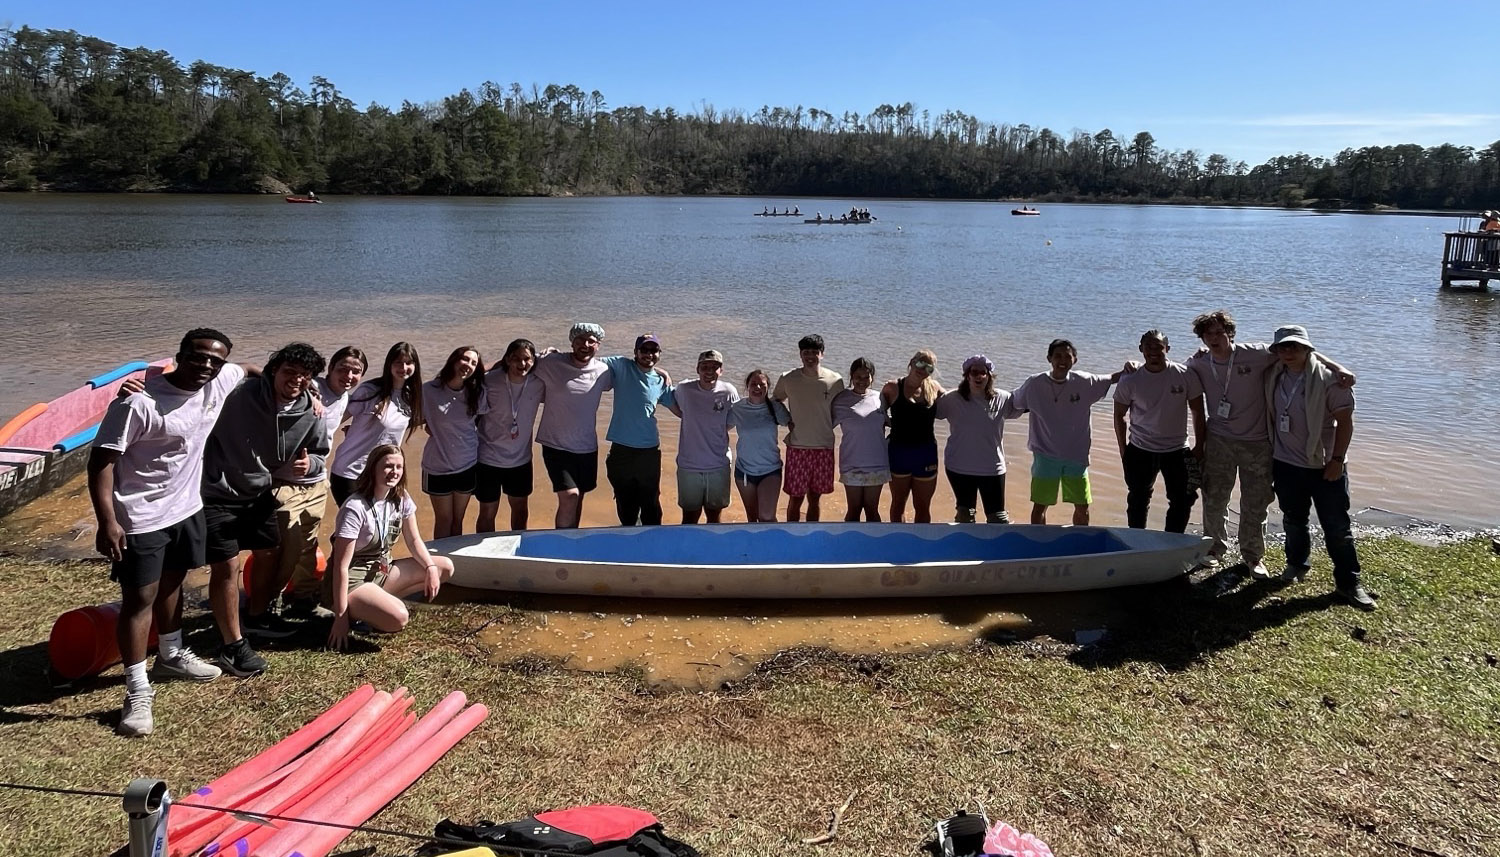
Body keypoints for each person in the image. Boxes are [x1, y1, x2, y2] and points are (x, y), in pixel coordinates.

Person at [88, 328, 241, 737]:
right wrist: (108, 521)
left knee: (173, 581)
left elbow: (249, 370)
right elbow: (100, 462)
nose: (206, 365)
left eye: (215, 360)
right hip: (139, 516)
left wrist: (310, 396)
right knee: (139, 599)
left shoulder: (219, 381)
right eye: (198, 356)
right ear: (179, 355)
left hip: (186, 508)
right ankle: (137, 690)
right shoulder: (139, 402)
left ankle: (171, 655)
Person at [1186, 311, 1355, 577]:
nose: (1214, 338)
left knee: (1255, 502)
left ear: (1230, 333)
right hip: (1219, 440)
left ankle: (1253, 556)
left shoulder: (1255, 353)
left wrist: (1337, 368)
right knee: (1214, 498)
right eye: (1208, 334)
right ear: (1202, 338)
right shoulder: (1197, 363)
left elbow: (1302, 352)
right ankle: (1214, 549)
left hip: (1258, 443)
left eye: (1220, 332)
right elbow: (1167, 372)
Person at [1265, 326, 1374, 610]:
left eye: (1294, 347)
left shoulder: (1330, 381)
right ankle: (1297, 564)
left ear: (1307, 349)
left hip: (1325, 466)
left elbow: (1345, 423)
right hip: (1286, 463)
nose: (1288, 353)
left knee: (1337, 527)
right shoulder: (1274, 375)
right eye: (1282, 348)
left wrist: (1337, 460)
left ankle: (1349, 583)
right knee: (1293, 519)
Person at [325, 444, 456, 650]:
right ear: (373, 469)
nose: (394, 472)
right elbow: (340, 567)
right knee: (399, 618)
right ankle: (352, 611)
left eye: (399, 467)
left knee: (444, 568)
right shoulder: (355, 507)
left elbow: (413, 541)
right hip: (353, 582)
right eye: (387, 466)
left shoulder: (401, 498)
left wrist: (430, 567)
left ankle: (374, 606)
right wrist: (340, 619)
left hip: (380, 573)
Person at [282, 346, 367, 615]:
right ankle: (269, 601)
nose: (349, 375)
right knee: (284, 544)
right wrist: (308, 391)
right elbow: (279, 384)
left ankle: (304, 599)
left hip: (318, 479)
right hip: (286, 479)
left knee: (308, 542)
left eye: (356, 371)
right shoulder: (312, 386)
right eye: (343, 368)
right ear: (329, 369)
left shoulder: (345, 398)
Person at [1010, 339, 1125, 526]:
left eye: (1067, 356)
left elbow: (1113, 377)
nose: (1062, 360)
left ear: (1075, 360)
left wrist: (1132, 366)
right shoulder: (1034, 384)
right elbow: (1013, 402)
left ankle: (1080, 543)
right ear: (1049, 358)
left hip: (1076, 456)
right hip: (1045, 455)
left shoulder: (1085, 382)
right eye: (1057, 356)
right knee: (1040, 506)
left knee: (1082, 505)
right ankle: (1038, 542)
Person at [1112, 330, 1206, 533]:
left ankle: (1172, 540)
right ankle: (1137, 539)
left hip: (1177, 449)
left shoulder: (1184, 374)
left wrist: (1200, 446)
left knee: (1183, 498)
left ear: (1168, 349)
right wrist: (1123, 450)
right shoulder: (1130, 380)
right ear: (1141, 350)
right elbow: (1119, 415)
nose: (1154, 351)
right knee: (1138, 497)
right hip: (1140, 448)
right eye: (1148, 347)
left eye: (1159, 347)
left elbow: (1198, 410)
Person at [533, 323, 614, 528]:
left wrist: (659, 370)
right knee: (570, 496)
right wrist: (478, 372)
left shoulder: (604, 370)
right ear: (572, 342)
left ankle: (572, 541)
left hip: (586, 446)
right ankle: (560, 546)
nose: (585, 345)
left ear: (598, 345)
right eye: (579, 340)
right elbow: (516, 360)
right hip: (555, 444)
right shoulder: (550, 362)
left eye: (591, 341)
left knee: (578, 499)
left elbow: (634, 370)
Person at [328, 342, 424, 507]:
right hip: (351, 472)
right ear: (389, 365)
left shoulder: (411, 397)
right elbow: (336, 419)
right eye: (398, 362)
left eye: (409, 363)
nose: (403, 367)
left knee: (376, 528)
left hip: (383, 474)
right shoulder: (370, 391)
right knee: (354, 527)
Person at [936, 355, 1023, 523]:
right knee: (965, 515)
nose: (979, 376)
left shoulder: (1003, 398)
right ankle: (964, 547)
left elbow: (1029, 403)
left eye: (984, 373)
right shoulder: (951, 398)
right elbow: (926, 410)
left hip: (992, 468)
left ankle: (997, 548)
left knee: (997, 517)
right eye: (974, 372)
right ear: (967, 375)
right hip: (959, 467)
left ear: (989, 376)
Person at [601, 334, 673, 526]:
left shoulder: (660, 381)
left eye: (653, 350)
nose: (648, 354)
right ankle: (628, 538)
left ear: (659, 353)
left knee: (651, 502)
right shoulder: (621, 365)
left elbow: (682, 410)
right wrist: (557, 356)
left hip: (649, 450)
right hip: (621, 448)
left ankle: (653, 542)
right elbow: (586, 361)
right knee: (626, 502)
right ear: (635, 352)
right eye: (644, 350)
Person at [773, 334, 845, 522]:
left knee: (815, 498)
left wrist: (830, 423)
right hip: (797, 447)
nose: (810, 357)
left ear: (822, 354)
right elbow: (775, 401)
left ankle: (811, 533)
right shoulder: (788, 378)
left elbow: (842, 408)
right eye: (806, 353)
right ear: (800, 355)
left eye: (815, 352)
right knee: (795, 498)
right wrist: (786, 419)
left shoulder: (835, 380)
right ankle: (791, 536)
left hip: (824, 447)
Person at [662, 350, 739, 523]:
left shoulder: (728, 391)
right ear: (697, 369)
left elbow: (732, 421)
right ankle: (688, 549)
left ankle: (712, 549)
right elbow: (667, 397)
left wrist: (713, 428)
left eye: (714, 366)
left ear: (721, 370)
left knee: (714, 517)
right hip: (689, 466)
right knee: (689, 517)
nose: (709, 371)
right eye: (704, 366)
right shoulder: (684, 389)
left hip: (718, 464)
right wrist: (663, 372)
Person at [476, 339, 544, 532]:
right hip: (488, 458)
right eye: (516, 359)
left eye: (527, 359)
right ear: (506, 359)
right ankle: (486, 553)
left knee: (521, 509)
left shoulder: (539, 383)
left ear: (533, 361)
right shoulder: (489, 381)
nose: (521, 364)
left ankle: (518, 548)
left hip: (520, 460)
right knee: (487, 511)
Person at [421, 346, 488, 539]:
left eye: (474, 363)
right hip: (437, 466)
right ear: (454, 360)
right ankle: (438, 564)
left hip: (467, 463)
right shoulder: (429, 390)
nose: (468, 365)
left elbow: (483, 420)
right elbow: (409, 417)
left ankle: (453, 565)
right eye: (465, 360)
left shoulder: (476, 392)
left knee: (458, 520)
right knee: (443, 520)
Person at [881, 350, 942, 523]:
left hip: (926, 454)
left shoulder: (935, 388)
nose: (923, 369)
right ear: (911, 362)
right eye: (920, 363)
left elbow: (959, 402)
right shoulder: (892, 387)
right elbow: (875, 414)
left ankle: (921, 544)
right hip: (898, 453)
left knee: (922, 506)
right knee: (898, 503)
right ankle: (899, 542)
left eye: (929, 367)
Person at [729, 369, 791, 522]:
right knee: (752, 518)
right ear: (747, 387)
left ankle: (775, 544)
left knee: (766, 516)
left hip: (770, 469)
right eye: (753, 384)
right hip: (744, 471)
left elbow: (794, 426)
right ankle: (755, 546)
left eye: (762, 385)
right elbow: (719, 430)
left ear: (768, 387)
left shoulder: (775, 407)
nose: (757, 388)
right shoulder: (737, 408)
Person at [832, 357, 889, 522]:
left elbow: (894, 423)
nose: (862, 381)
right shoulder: (841, 399)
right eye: (858, 377)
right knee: (854, 510)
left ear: (872, 377)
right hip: (851, 463)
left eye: (867, 377)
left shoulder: (881, 398)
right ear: (851, 376)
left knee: (872, 510)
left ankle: (875, 546)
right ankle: (849, 546)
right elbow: (824, 427)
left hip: (877, 463)